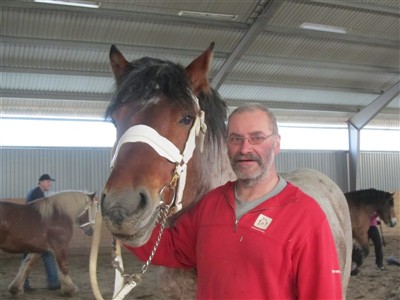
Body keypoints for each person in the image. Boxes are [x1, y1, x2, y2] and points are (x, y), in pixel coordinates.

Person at [126, 103, 342, 299]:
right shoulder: (211, 204)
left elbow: (322, 293)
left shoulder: (306, 215)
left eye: (257, 138)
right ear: (226, 145)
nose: (245, 149)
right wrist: (124, 220)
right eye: (236, 139)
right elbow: (172, 248)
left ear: (276, 144)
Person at [22, 174, 60, 292]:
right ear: (41, 182)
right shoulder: (37, 194)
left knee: (34, 256)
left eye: (50, 182)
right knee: (44, 254)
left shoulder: (34, 192)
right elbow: (38, 214)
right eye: (48, 182)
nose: (50, 184)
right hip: (33, 232)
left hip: (30, 231)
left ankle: (25, 283)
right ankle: (53, 282)